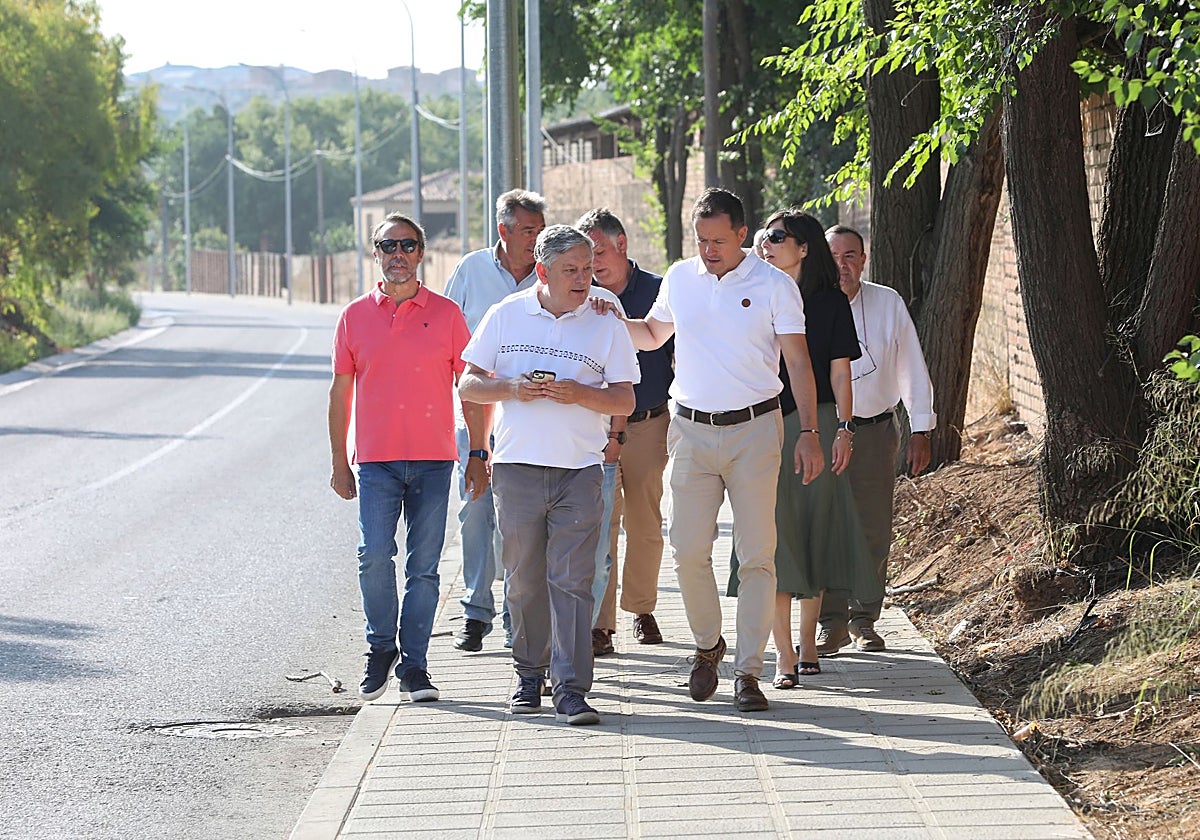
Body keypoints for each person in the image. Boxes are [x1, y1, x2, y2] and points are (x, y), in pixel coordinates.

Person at [600, 188, 824, 713]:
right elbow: (654, 334)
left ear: (743, 235)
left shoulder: (773, 285)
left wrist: (810, 432)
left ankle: (748, 671)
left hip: (754, 429)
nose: (709, 250)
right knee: (687, 550)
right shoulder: (680, 278)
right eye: (701, 240)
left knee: (756, 555)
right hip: (692, 430)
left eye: (719, 240)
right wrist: (607, 319)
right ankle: (707, 646)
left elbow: (797, 363)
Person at [458, 224, 639, 725]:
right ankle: (527, 676)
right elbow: (469, 385)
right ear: (542, 271)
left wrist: (580, 394)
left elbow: (625, 397)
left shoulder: (605, 319)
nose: (585, 278)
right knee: (523, 581)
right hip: (517, 469)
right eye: (571, 271)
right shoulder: (506, 315)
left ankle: (573, 689)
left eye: (588, 267)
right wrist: (512, 387)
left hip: (580, 471)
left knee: (573, 581)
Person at [329, 212, 487, 703]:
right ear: (375, 254)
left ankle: (415, 665)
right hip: (375, 462)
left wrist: (478, 452)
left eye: (407, 246)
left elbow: (472, 389)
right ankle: (380, 647)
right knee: (374, 556)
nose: (398, 255)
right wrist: (339, 460)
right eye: (387, 246)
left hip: (434, 460)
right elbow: (340, 392)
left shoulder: (445, 315)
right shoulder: (355, 316)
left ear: (421, 253)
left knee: (424, 568)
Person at [727, 210, 880, 687]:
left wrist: (845, 429)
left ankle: (810, 643)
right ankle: (783, 655)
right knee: (773, 538)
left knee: (815, 533)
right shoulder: (749, 294)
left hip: (819, 424)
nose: (765, 244)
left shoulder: (829, 302)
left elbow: (840, 372)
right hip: (762, 425)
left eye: (777, 237)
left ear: (805, 247)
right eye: (761, 237)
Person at [819, 225, 936, 654]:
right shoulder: (808, 303)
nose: (842, 264)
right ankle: (828, 621)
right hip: (824, 432)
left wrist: (920, 428)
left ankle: (863, 617)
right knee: (828, 526)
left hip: (874, 432)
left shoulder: (887, 303)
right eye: (833, 255)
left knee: (872, 527)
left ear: (864, 259)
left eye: (851, 255)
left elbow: (911, 366)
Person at [443, 189, 547, 653]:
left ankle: (513, 616)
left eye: (541, 230)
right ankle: (474, 609)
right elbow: (448, 338)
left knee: (519, 521)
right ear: (503, 231)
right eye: (528, 230)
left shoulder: (549, 274)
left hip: (529, 421)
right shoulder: (471, 270)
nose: (536, 238)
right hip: (475, 414)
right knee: (475, 511)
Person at [576, 208, 674, 657]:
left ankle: (642, 607)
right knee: (600, 524)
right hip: (595, 428)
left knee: (645, 521)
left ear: (622, 244)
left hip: (650, 422)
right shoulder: (578, 295)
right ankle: (601, 622)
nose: (592, 262)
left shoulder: (657, 291)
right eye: (584, 253)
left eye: (598, 251)